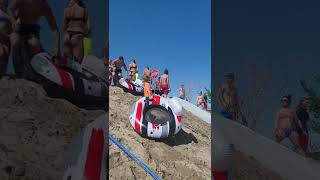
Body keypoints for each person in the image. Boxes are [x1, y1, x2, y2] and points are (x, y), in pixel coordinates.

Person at [8, 0, 60, 77]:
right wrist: (13, 22)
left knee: (35, 44)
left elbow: (54, 29)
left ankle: (33, 70)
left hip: (32, 30)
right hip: (19, 26)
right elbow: (9, 9)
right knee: (15, 41)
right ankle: (18, 72)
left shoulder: (44, 6)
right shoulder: (22, 1)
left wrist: (57, 48)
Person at [0, 0, 11, 75]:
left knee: (5, 56)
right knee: (1, 53)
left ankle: (2, 73)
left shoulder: (10, 12)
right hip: (2, 36)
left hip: (7, 39)